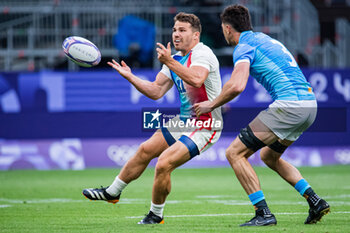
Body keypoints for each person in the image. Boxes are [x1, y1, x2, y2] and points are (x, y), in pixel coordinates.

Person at [194, 4, 330, 227]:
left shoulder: (243, 47)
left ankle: (263, 213)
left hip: (290, 105)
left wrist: (212, 104)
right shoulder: (266, 39)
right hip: (309, 104)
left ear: (228, 28)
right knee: (269, 156)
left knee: (234, 153)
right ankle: (315, 201)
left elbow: (237, 85)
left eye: (222, 28)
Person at [83, 12, 222, 224]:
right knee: (145, 150)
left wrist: (168, 61)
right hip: (184, 120)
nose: (176, 34)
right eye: (175, 30)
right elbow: (156, 90)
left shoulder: (203, 53)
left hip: (206, 124)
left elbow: (196, 79)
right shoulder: (174, 59)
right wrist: (131, 77)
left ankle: (155, 215)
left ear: (196, 36)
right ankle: (113, 192)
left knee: (163, 163)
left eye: (182, 30)